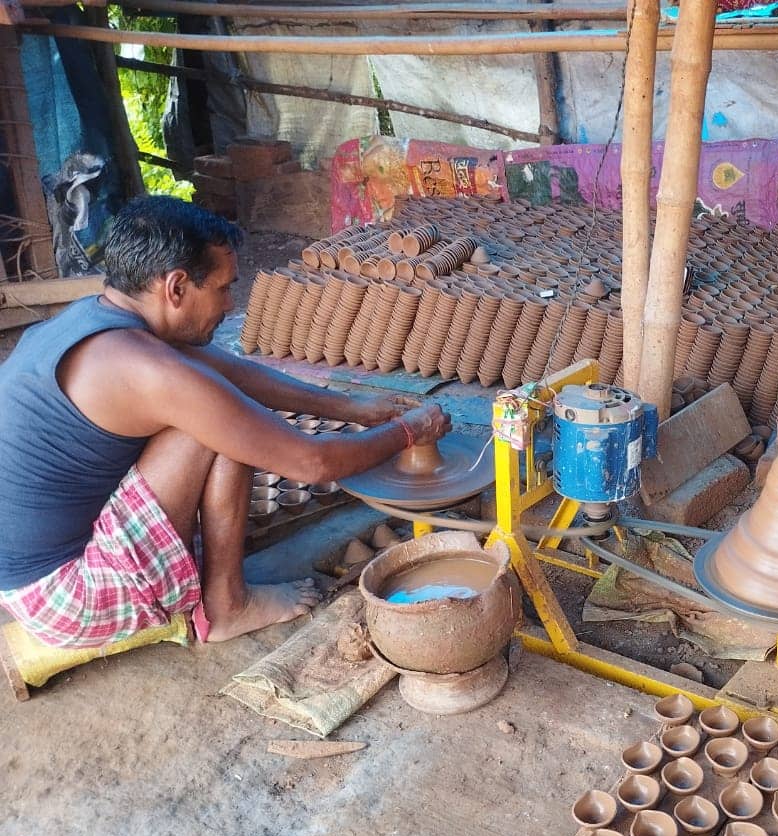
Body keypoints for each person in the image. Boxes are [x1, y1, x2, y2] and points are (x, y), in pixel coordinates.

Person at [0, 196, 450, 648]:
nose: (231, 305)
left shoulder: (98, 318)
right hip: (66, 597)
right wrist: (410, 431)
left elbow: (234, 371)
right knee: (216, 422)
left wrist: (352, 408)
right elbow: (312, 463)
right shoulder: (147, 370)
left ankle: (212, 589)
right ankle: (228, 607)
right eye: (222, 289)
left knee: (218, 403)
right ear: (176, 287)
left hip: (29, 566)